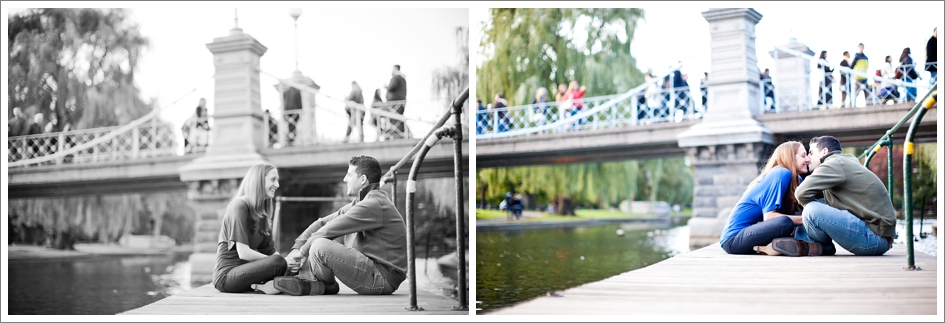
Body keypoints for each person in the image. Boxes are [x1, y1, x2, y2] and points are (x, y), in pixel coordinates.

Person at [281, 156, 407, 296]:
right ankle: (321, 285)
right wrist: (296, 249)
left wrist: (302, 253)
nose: (344, 179)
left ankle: (318, 284)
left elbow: (327, 230)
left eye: (349, 174)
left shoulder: (374, 204)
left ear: (363, 179)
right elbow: (321, 223)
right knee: (316, 243)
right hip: (373, 271)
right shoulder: (361, 202)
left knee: (319, 245)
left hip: (383, 278)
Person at [794, 136, 896, 256]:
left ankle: (819, 245)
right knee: (818, 205)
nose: (808, 159)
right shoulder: (844, 161)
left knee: (811, 210)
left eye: (811, 153)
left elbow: (800, 193)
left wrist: (809, 214)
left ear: (825, 152)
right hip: (880, 236)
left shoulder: (834, 163)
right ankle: (807, 239)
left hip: (875, 238)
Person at [720, 141, 823, 256]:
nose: (808, 159)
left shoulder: (797, 180)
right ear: (790, 157)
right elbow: (769, 217)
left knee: (794, 225)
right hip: (733, 239)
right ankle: (773, 246)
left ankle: (777, 246)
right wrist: (806, 219)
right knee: (786, 222)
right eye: (803, 155)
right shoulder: (782, 173)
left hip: (757, 233)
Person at [212, 164, 290, 294]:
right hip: (226, 277)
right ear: (258, 181)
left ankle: (267, 285)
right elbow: (243, 253)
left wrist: (288, 263)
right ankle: (271, 284)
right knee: (278, 262)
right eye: (273, 179)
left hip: (246, 272)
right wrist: (279, 262)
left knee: (283, 263)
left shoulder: (262, 213)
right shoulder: (238, 206)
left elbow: (270, 251)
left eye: (277, 180)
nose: (277, 185)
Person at [385, 65, 408, 139]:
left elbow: (392, 87)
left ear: (395, 69)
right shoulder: (403, 79)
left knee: (395, 119)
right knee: (399, 119)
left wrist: (387, 87)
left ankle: (398, 137)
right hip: (401, 101)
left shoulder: (396, 77)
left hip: (395, 101)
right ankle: (404, 135)